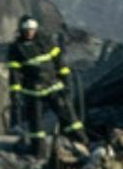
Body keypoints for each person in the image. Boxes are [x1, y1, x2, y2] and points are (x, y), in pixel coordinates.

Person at [8, 15, 87, 152]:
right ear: (21, 30)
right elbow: (14, 74)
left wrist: (66, 81)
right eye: (27, 30)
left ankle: (82, 143)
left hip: (53, 86)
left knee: (68, 116)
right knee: (36, 124)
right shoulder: (16, 49)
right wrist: (15, 94)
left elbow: (59, 63)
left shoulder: (46, 42)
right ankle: (38, 151)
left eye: (32, 29)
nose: (29, 32)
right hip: (33, 90)